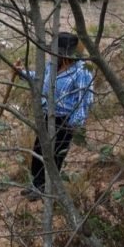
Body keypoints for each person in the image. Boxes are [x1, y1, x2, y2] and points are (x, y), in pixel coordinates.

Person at [17, 32, 94, 201]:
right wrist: (21, 73)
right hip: (47, 116)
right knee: (39, 151)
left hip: (65, 120)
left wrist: (73, 125)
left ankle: (48, 188)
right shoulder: (52, 66)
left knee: (56, 155)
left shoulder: (82, 72)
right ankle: (37, 184)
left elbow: (85, 100)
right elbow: (39, 79)